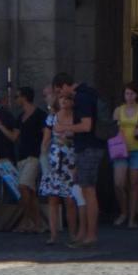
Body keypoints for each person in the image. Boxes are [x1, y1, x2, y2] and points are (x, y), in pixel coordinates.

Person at [52, 72, 105, 247]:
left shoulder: (82, 98)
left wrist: (64, 127)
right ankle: (86, 233)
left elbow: (86, 125)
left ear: (65, 86)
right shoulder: (87, 94)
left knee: (88, 191)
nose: (61, 97)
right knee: (85, 191)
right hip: (89, 146)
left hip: (89, 148)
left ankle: (91, 234)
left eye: (60, 92)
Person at [0, 86, 47, 233]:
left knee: (23, 187)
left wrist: (44, 153)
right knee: (29, 193)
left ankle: (29, 221)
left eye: (17, 96)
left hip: (34, 156)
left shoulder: (40, 115)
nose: (16, 99)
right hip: (22, 158)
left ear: (24, 97)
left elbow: (46, 135)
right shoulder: (20, 117)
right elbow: (14, 137)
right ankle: (36, 224)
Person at [111, 82, 138, 229]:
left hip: (137, 149)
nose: (129, 97)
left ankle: (132, 217)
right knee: (119, 183)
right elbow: (112, 129)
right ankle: (124, 211)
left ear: (137, 95)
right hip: (120, 149)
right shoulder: (118, 110)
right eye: (126, 94)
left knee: (134, 184)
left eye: (132, 94)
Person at [39, 91, 78, 245]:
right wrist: (44, 159)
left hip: (70, 161)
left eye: (67, 98)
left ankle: (73, 234)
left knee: (70, 200)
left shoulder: (76, 118)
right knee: (53, 199)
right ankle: (53, 235)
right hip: (54, 160)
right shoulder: (52, 118)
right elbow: (46, 140)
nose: (64, 101)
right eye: (61, 98)